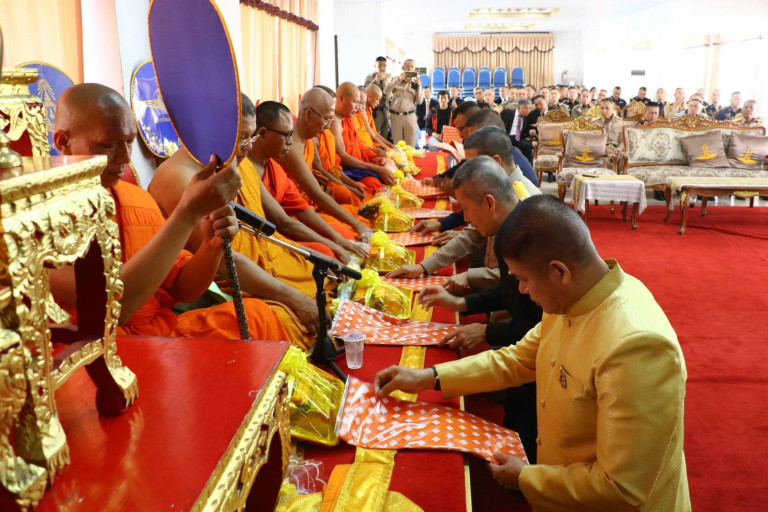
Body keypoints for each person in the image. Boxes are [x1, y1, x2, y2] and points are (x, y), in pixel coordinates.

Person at [375, 194, 690, 511]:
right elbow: (517, 360)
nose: (521, 290)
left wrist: (527, 477)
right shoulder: (573, 297)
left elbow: (622, 487)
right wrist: (427, 377)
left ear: (559, 272)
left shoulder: (637, 346)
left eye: (523, 280)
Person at [52, 84, 289, 342]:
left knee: (259, 316)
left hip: (158, 332)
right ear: (63, 142)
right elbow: (111, 309)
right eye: (109, 145)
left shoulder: (136, 199)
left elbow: (181, 286)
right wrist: (187, 214)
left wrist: (211, 247)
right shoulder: (42, 217)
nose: (125, 157)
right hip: (96, 348)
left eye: (129, 142)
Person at [150, 94, 338, 349]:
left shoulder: (229, 164)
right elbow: (224, 261)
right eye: (242, 139)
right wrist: (294, 298)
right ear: (211, 131)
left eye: (250, 137)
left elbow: (267, 225)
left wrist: (311, 257)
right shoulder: (179, 179)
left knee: (320, 268)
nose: (249, 147)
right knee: (279, 318)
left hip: (258, 259)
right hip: (220, 286)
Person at [415, 156, 542, 462]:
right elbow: (508, 292)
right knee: (514, 421)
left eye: (467, 210)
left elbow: (533, 327)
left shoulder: (530, 236)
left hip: (537, 362)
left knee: (528, 432)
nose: (467, 220)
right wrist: (460, 303)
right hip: (524, 348)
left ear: (488, 203)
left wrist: (487, 332)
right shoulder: (508, 227)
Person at [391, 126, 539, 285]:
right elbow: (472, 235)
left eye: (472, 164)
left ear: (495, 163)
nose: (466, 170)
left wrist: (471, 277)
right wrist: (423, 267)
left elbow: (518, 276)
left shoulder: (528, 206)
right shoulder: (495, 189)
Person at [276, 88, 372, 238]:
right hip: (298, 213)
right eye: (326, 119)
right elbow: (316, 194)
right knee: (349, 232)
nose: (328, 126)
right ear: (308, 114)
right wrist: (355, 224)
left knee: (363, 215)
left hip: (311, 205)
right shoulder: (291, 147)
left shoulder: (309, 140)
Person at [333, 82, 395, 193]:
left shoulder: (348, 117)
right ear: (341, 98)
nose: (358, 107)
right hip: (346, 169)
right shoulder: (334, 123)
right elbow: (343, 158)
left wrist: (373, 156)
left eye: (360, 103)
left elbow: (357, 144)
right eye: (355, 102)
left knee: (389, 172)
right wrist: (376, 168)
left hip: (358, 162)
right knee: (375, 185)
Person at [384, 59, 423, 147]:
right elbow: (386, 91)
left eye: (412, 67)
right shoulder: (396, 79)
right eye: (407, 66)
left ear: (414, 69)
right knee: (398, 146)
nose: (409, 68)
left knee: (410, 146)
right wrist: (398, 80)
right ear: (403, 68)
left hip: (409, 116)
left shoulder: (416, 83)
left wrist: (418, 86)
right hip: (395, 116)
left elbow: (419, 101)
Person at [363, 56, 390, 137]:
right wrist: (376, 80)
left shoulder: (387, 78)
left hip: (386, 111)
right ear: (375, 66)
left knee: (385, 136)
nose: (382, 68)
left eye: (384, 66)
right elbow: (366, 91)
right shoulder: (370, 77)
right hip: (376, 112)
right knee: (374, 135)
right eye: (379, 66)